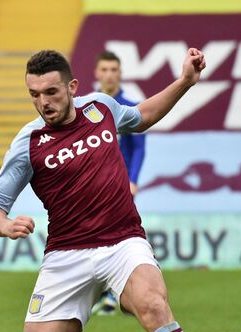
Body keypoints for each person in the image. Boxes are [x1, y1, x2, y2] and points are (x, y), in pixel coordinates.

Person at [0, 48, 205, 332]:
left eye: (51, 92)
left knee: (154, 306)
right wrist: (4, 226)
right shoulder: (27, 143)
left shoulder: (101, 108)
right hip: (66, 256)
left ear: (72, 88)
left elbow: (143, 116)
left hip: (123, 243)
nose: (43, 102)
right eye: (34, 95)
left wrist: (185, 80)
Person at [92, 50, 146, 315]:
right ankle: (114, 293)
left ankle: (117, 294)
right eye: (105, 69)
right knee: (93, 238)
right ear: (97, 73)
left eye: (114, 69)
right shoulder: (87, 107)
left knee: (117, 239)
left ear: (120, 73)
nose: (109, 74)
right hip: (91, 187)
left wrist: (133, 179)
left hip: (119, 186)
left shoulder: (128, 107)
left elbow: (139, 147)